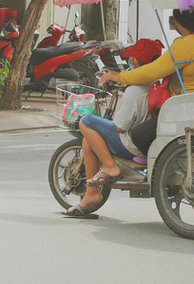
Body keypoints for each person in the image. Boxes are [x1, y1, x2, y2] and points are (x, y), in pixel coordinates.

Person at [99, 8, 194, 173]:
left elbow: (151, 72)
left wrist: (118, 76)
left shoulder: (185, 44)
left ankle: (154, 167)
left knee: (138, 135)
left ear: (178, 23)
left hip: (187, 111)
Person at [64, 38, 164, 218]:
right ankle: (92, 194)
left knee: (86, 121)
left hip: (130, 144)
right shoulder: (156, 85)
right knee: (88, 141)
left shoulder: (135, 90)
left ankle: (110, 167)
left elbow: (119, 127)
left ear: (133, 61)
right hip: (146, 142)